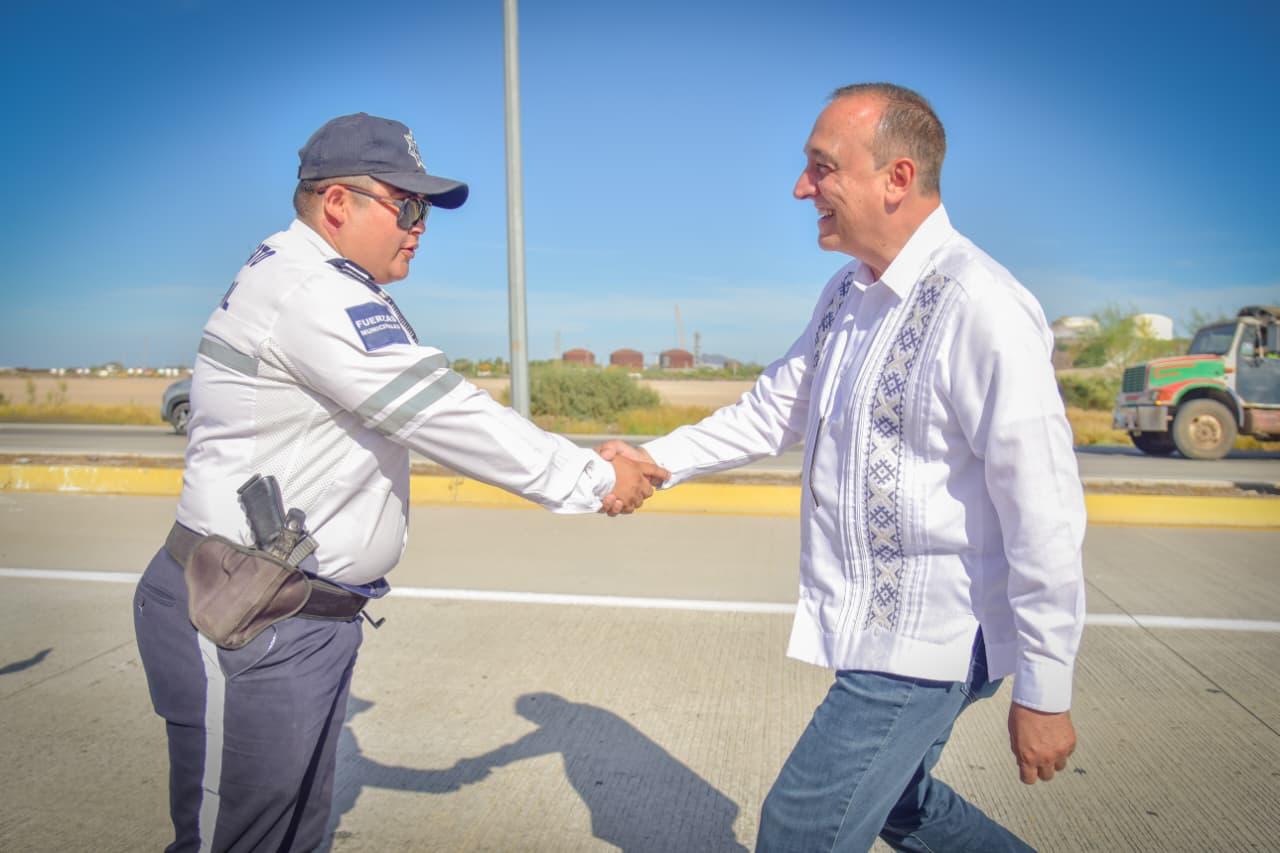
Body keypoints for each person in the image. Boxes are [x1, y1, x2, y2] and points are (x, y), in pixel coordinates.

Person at [133, 111, 667, 852]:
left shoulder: (311, 277)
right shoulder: (313, 291)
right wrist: (595, 477)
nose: (419, 228)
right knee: (236, 840)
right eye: (406, 206)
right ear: (336, 203)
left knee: (290, 837)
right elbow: (440, 410)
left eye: (425, 212)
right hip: (245, 615)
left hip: (290, 614)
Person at [600, 83, 1085, 851]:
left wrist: (1046, 686)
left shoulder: (982, 305)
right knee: (898, 801)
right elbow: (772, 410)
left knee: (801, 826)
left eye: (822, 167)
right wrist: (654, 458)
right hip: (876, 629)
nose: (802, 188)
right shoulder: (846, 294)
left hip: (931, 632)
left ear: (897, 178)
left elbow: (1043, 506)